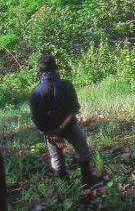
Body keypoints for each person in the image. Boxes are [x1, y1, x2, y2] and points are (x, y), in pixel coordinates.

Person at [29, 52, 100, 185]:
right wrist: (61, 129)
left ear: (39, 70)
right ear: (56, 67)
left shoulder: (35, 91)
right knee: (82, 149)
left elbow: (36, 118)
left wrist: (52, 134)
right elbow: (74, 110)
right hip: (70, 127)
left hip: (50, 133)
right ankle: (87, 179)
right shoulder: (66, 85)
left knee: (56, 158)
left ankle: (67, 186)